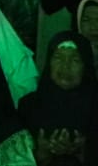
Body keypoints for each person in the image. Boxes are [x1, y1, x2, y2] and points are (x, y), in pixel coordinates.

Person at [19, 31, 96, 166]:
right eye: (58, 58)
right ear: (49, 63)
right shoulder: (28, 105)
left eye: (75, 60)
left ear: (86, 66)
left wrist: (84, 152)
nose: (65, 66)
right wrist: (42, 154)